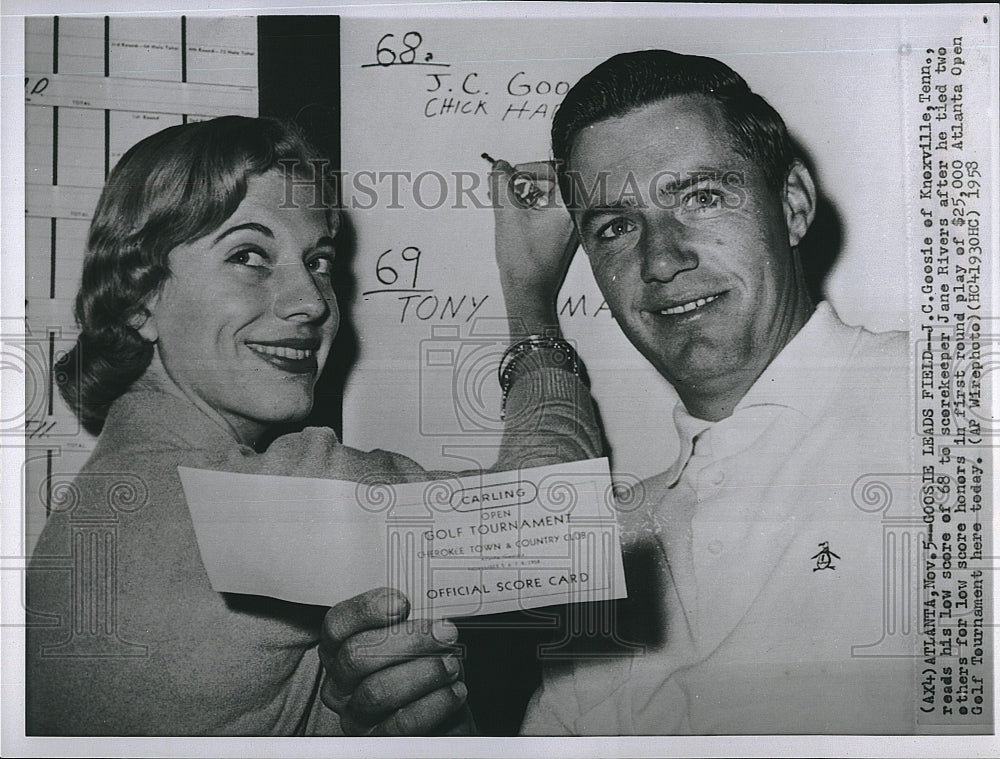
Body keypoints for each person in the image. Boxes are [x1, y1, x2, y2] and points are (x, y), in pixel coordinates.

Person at [25, 116, 602, 736]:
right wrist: (531, 301)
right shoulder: (241, 506)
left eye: (318, 261)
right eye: (249, 255)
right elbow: (562, 518)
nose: (312, 301)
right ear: (141, 298)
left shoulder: (112, 495)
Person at [502, 50, 918, 734]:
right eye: (616, 227)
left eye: (702, 197)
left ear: (794, 204)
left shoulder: (946, 403)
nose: (662, 258)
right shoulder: (616, 542)